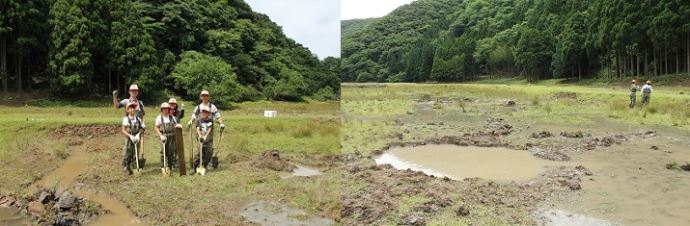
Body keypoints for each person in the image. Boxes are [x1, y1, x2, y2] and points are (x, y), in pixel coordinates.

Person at [155, 103, 180, 172]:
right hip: (164, 136)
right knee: (163, 152)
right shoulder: (159, 118)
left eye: (167, 109)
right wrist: (160, 135)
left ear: (169, 110)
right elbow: (156, 127)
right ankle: (163, 167)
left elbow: (175, 125)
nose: (165, 110)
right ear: (162, 110)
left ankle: (170, 166)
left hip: (172, 137)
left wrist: (178, 126)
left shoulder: (172, 117)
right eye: (164, 109)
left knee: (171, 152)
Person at [121, 102, 144, 175]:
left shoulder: (138, 119)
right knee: (127, 153)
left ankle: (135, 168)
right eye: (130, 108)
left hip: (137, 139)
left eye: (133, 108)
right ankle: (126, 168)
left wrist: (138, 134)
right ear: (127, 110)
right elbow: (123, 130)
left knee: (136, 153)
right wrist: (130, 136)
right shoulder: (126, 119)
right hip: (128, 139)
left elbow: (141, 129)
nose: (132, 110)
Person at [191, 106, 214, 175]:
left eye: (206, 112)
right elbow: (197, 128)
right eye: (203, 112)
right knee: (197, 154)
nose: (204, 113)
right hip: (200, 139)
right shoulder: (199, 120)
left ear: (209, 113)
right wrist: (200, 136)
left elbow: (210, 129)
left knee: (208, 154)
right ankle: (194, 168)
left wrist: (205, 136)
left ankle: (204, 166)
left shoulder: (210, 120)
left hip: (208, 140)